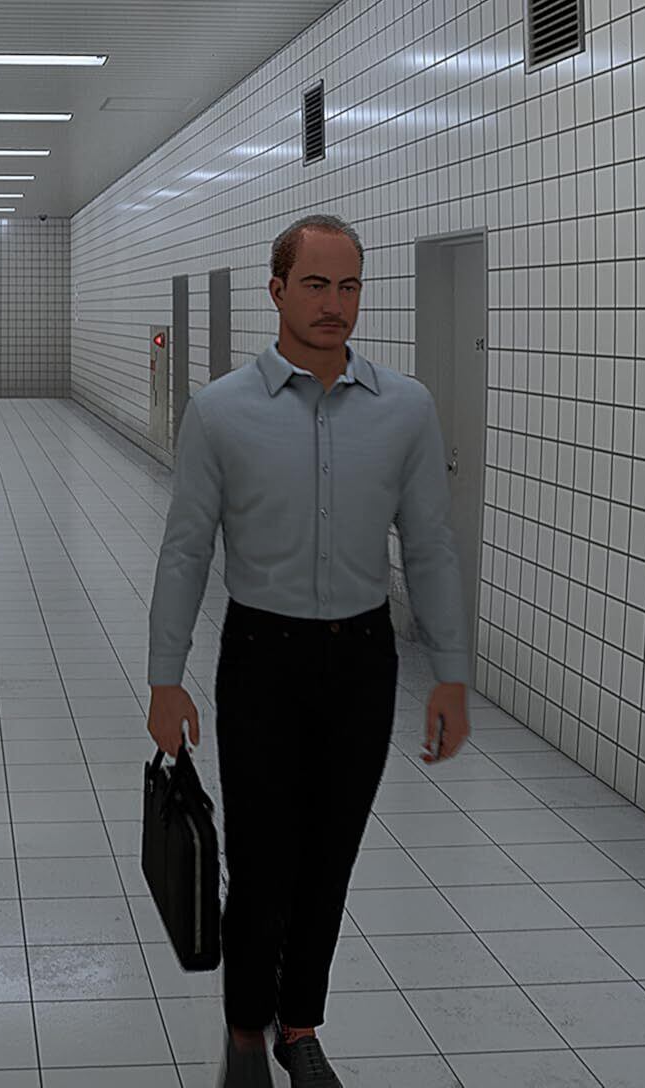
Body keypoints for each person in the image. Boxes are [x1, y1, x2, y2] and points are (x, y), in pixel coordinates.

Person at [145, 213, 477, 1088]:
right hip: (262, 657)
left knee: (331, 858)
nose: (335, 304)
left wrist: (451, 673)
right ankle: (244, 1031)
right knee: (260, 863)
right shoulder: (221, 412)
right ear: (277, 290)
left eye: (350, 286)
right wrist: (165, 679)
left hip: (363, 662)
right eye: (317, 285)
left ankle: (300, 1025)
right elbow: (185, 550)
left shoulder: (405, 409)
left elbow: (431, 547)